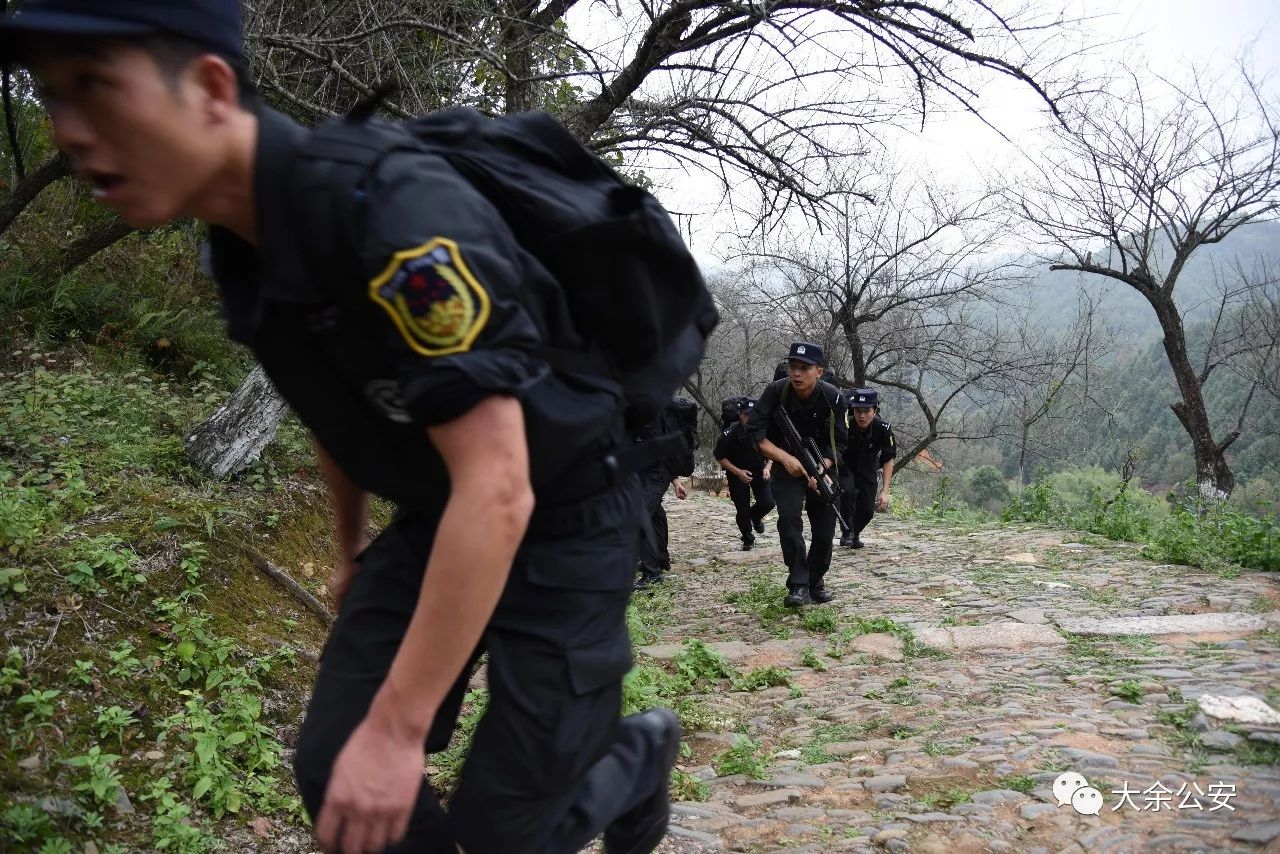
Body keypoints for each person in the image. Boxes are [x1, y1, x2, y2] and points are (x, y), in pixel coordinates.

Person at [0, 4, 683, 853]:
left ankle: (635, 756)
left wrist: (398, 732)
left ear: (211, 87)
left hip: (564, 507)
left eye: (96, 87)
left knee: (509, 828)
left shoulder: (394, 216)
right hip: (447, 515)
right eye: (51, 96)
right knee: (337, 779)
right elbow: (332, 401)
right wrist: (349, 545)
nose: (67, 131)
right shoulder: (242, 244)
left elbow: (500, 486)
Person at [746, 342, 847, 607]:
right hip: (786, 466)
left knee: (825, 531)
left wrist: (821, 470)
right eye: (793, 367)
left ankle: (815, 579)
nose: (797, 373)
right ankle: (799, 583)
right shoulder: (776, 392)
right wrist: (784, 458)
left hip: (824, 468)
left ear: (819, 371)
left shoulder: (834, 398)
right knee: (789, 522)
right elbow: (755, 434)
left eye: (804, 368)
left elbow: (841, 443)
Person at [632, 400, 691, 589]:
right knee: (655, 515)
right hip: (655, 471)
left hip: (654, 473)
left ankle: (652, 573)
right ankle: (661, 560)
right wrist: (675, 479)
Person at [839, 388, 896, 548]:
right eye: (858, 411)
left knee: (867, 510)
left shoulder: (883, 428)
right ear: (853, 410)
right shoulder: (845, 424)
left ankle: (853, 534)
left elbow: (888, 458)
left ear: (875, 410)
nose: (862, 416)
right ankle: (847, 532)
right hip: (845, 467)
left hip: (867, 469)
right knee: (847, 493)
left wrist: (885, 491)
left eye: (866, 411)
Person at [714, 397, 774, 550]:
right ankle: (747, 538)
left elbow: (774, 452)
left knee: (768, 502)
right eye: (747, 414)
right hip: (736, 472)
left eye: (753, 415)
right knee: (742, 509)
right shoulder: (731, 433)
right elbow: (720, 457)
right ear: (740, 414)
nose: (750, 418)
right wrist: (738, 472)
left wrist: (768, 467)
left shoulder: (762, 429)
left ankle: (756, 516)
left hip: (759, 470)